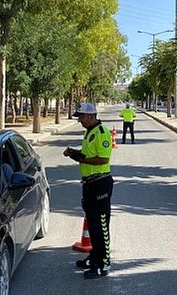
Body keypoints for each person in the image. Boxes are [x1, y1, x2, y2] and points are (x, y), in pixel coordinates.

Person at [63, 102, 113, 279]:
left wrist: (80, 159)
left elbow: (102, 160)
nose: (80, 121)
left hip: (100, 184)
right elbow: (88, 156)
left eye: (82, 117)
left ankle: (103, 264)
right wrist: (74, 154)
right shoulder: (89, 132)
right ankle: (94, 257)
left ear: (91, 116)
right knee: (92, 224)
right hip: (89, 185)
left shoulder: (101, 133)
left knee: (100, 226)